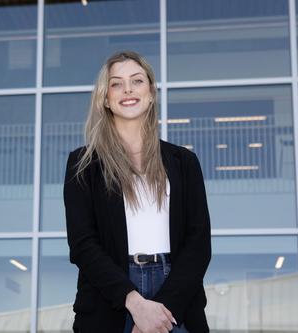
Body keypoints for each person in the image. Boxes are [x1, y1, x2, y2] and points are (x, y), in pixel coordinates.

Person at [63, 51, 211, 333]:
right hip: (112, 300)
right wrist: (135, 303)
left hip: (176, 296)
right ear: (105, 99)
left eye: (137, 81)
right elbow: (83, 244)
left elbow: (199, 243)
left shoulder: (184, 162)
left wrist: (160, 313)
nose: (128, 89)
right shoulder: (83, 164)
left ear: (151, 93)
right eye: (116, 83)